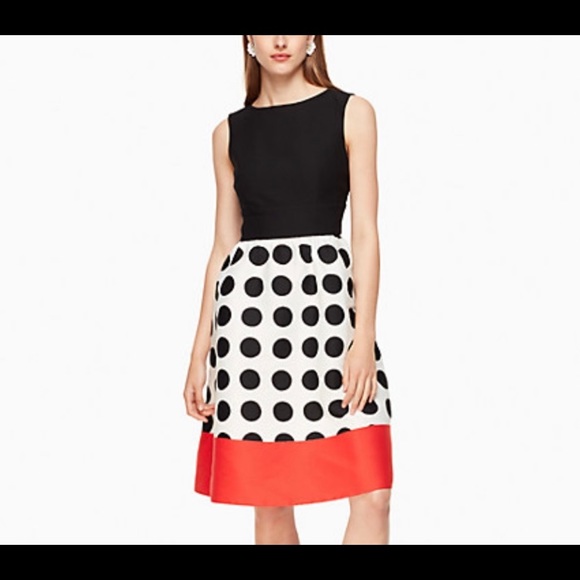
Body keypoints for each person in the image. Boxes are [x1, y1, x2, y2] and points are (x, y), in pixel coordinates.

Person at [183, 35, 394, 545]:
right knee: (272, 497)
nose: (280, 40)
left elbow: (365, 234)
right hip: (251, 325)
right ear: (248, 41)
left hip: (330, 316)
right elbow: (223, 245)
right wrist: (198, 353)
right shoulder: (228, 133)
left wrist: (363, 337)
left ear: (313, 39)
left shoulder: (352, 113)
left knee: (373, 494)